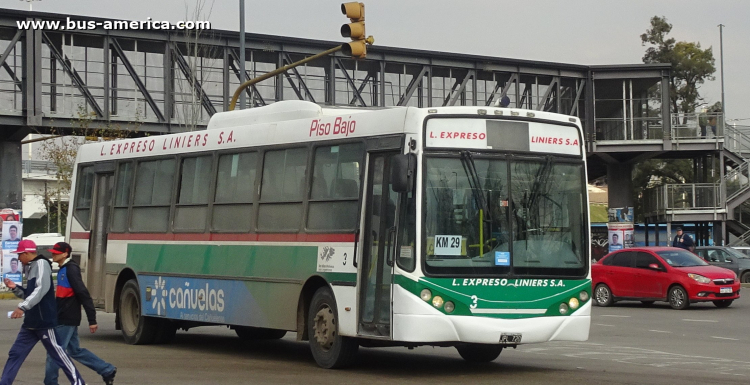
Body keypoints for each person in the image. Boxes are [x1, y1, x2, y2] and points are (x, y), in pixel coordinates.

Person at [0, 240, 86, 385]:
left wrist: (22, 307)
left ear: (27, 253)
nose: (18, 259)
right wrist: (15, 287)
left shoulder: (41, 264)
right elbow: (30, 294)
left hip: (43, 321)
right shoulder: (30, 266)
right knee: (15, 354)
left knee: (59, 356)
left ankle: (78, 382)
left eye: (20, 255)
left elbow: (41, 289)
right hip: (31, 323)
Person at [44, 242, 116, 385]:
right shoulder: (64, 269)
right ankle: (106, 369)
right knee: (75, 350)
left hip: (66, 318)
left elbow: (83, 293)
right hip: (65, 316)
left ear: (65, 254)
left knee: (54, 353)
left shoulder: (70, 270)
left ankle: (50, 383)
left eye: (56, 252)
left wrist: (92, 319)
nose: (53, 254)